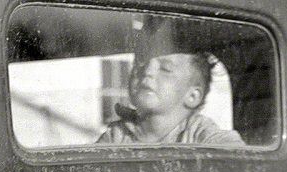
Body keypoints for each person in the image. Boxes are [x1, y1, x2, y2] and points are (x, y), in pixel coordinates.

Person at [97, 20, 244, 148]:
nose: (147, 71)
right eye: (140, 64)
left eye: (165, 69)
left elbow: (238, 158)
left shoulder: (200, 133)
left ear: (192, 96)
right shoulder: (117, 135)